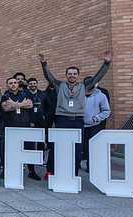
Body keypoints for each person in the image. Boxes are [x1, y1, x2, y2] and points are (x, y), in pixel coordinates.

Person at [39, 49, 112, 177]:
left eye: (74, 74)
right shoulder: (60, 85)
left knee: (77, 148)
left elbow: (97, 78)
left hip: (78, 120)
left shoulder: (84, 86)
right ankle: (50, 171)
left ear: (78, 75)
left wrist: (106, 64)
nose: (72, 76)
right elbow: (48, 76)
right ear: (66, 75)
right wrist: (44, 64)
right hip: (62, 119)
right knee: (56, 146)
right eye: (69, 74)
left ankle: (74, 173)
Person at [1, 76, 40, 180]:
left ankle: (32, 171)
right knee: (8, 150)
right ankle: (5, 170)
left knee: (29, 149)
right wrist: (23, 104)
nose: (13, 84)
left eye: (15, 82)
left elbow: (30, 105)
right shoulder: (5, 96)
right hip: (11, 127)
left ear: (18, 84)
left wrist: (14, 104)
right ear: (7, 85)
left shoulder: (26, 94)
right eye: (10, 83)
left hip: (25, 126)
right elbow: (6, 108)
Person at [82, 76, 111, 172]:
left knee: (94, 147)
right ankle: (76, 166)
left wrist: (96, 118)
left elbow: (106, 111)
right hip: (81, 125)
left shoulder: (101, 95)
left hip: (94, 126)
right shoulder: (78, 95)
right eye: (87, 82)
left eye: (91, 82)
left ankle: (91, 166)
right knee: (82, 147)